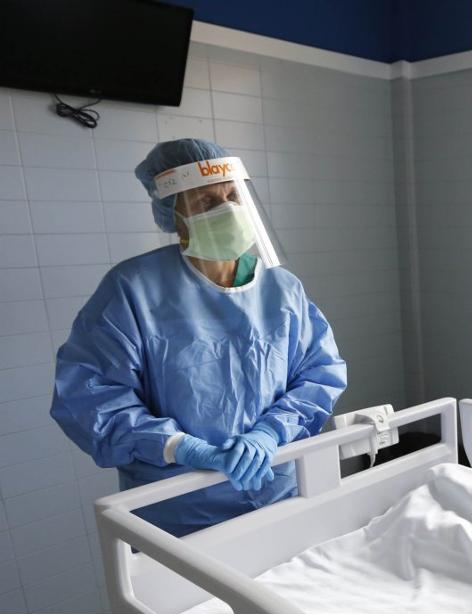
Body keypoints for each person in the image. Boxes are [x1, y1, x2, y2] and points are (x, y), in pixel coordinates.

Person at [50, 139, 347, 536]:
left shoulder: (282, 288)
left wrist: (270, 431)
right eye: (206, 203)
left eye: (233, 196)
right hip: (179, 511)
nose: (228, 209)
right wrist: (180, 446)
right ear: (175, 216)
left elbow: (319, 374)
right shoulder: (133, 291)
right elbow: (91, 396)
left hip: (277, 491)